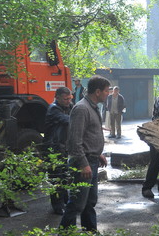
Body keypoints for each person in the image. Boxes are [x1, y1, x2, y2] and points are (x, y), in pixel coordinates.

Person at [60, 75, 110, 232]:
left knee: (89, 201)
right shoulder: (82, 108)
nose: (108, 93)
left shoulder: (93, 107)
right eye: (107, 91)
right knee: (77, 203)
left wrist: (97, 154)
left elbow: (89, 135)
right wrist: (84, 163)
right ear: (97, 91)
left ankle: (90, 231)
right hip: (84, 164)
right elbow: (74, 142)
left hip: (92, 160)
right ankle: (65, 233)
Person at [43, 86, 73, 215]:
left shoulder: (68, 107)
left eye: (70, 98)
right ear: (57, 98)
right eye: (65, 99)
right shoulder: (53, 109)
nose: (68, 101)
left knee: (64, 175)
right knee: (56, 177)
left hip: (63, 147)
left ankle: (65, 201)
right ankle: (57, 206)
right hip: (52, 148)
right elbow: (67, 120)